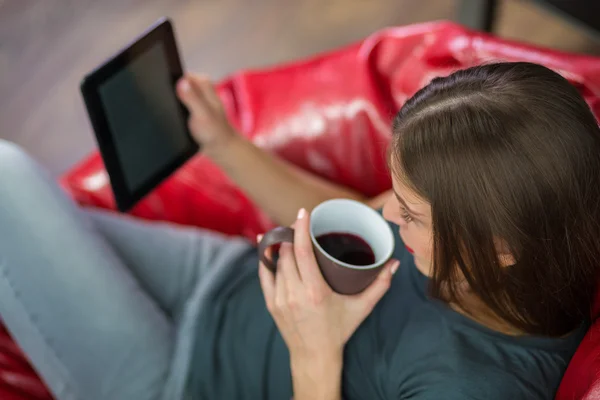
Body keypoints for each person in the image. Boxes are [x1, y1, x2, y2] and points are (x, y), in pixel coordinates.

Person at [0, 61, 598, 400]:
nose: (390, 215)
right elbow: (353, 217)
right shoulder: (498, 223)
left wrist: (314, 351)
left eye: (412, 216)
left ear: (502, 248)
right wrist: (226, 145)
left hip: (184, 382)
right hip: (218, 275)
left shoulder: (473, 387)